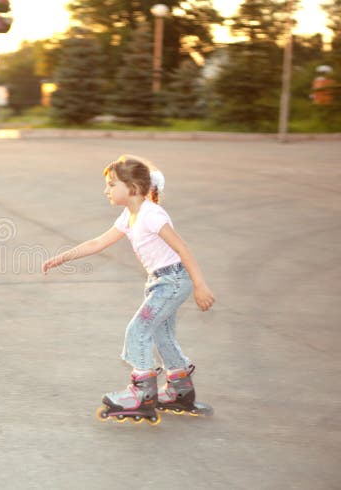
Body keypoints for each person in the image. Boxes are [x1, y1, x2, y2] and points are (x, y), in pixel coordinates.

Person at [42, 155, 215, 425]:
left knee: (138, 330)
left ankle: (142, 394)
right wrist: (64, 257)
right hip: (160, 282)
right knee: (160, 333)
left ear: (132, 187)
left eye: (112, 185)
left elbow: (182, 248)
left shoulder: (151, 214)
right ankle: (180, 389)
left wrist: (200, 285)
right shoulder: (130, 215)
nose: (106, 190)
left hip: (172, 281)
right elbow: (99, 242)